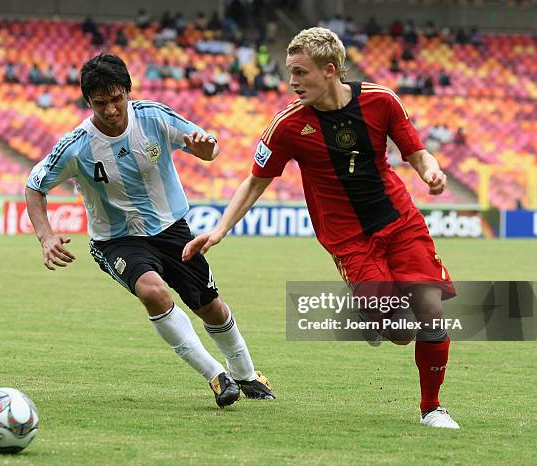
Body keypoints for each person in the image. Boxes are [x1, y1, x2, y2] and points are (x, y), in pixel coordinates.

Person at [183, 27, 460, 429]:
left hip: (401, 223)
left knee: (432, 314)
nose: (292, 82)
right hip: (349, 240)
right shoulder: (288, 126)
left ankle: (432, 408)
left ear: (330, 70)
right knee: (400, 332)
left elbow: (416, 153)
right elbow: (255, 181)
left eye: (300, 73)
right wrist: (221, 228)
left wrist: (432, 172)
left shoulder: (382, 100)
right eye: (289, 72)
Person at [25, 53, 275, 408]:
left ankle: (246, 373)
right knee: (152, 291)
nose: (111, 110)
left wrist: (207, 150)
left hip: (172, 229)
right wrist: (46, 236)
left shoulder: (154, 117)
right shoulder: (76, 146)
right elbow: (35, 186)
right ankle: (216, 376)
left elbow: (206, 146)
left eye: (116, 99)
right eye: (101, 103)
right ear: (88, 102)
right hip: (117, 240)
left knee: (210, 307)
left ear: (128, 91)